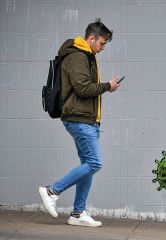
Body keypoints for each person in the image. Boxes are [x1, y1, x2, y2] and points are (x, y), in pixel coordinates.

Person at [38, 18, 121, 227]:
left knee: (88, 165)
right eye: (101, 43)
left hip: (88, 119)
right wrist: (107, 86)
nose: (103, 48)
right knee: (95, 163)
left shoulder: (87, 55)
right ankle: (51, 191)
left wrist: (104, 88)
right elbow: (83, 88)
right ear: (91, 38)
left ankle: (78, 213)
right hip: (78, 118)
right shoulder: (77, 56)